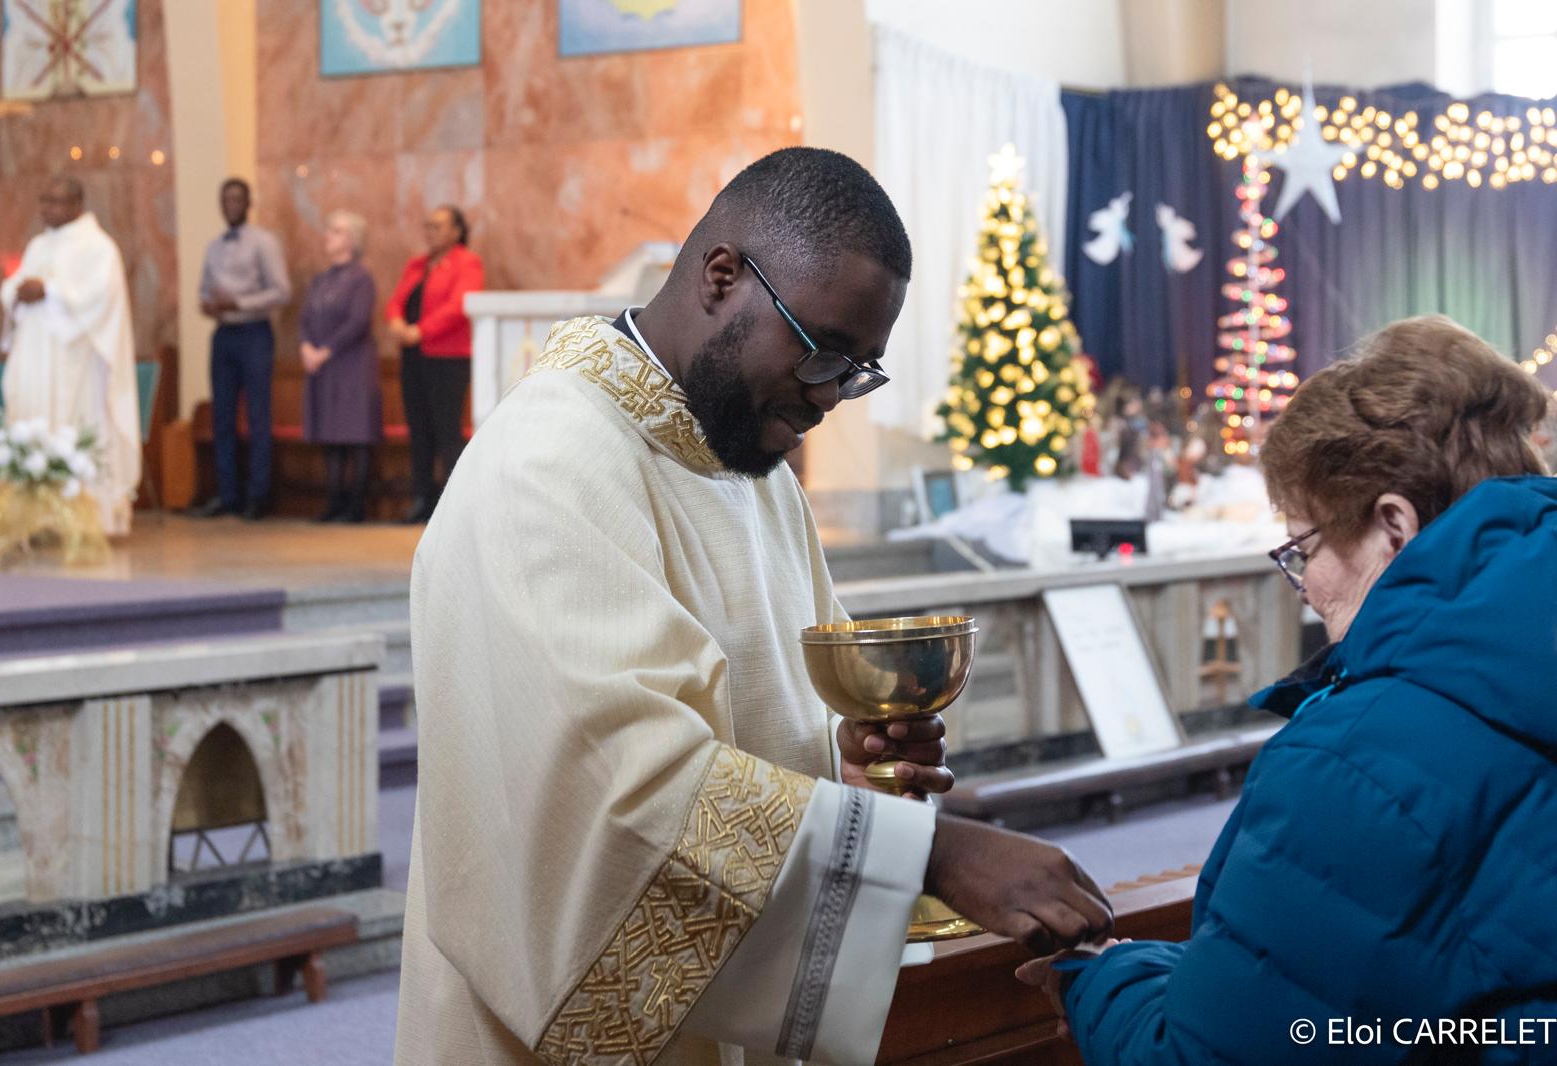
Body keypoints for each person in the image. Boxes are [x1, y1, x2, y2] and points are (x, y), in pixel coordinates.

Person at [395, 148, 1112, 1066]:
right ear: (721, 276)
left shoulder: (748, 467)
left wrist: (847, 760)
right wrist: (926, 852)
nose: (827, 398)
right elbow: (621, 789)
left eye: (857, 372)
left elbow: (771, 730)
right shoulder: (544, 466)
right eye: (819, 353)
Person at [1022, 315, 1557, 1065]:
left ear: (1394, 527)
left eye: (1303, 548)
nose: (1304, 587)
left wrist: (1103, 974)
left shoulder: (1359, 760)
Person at [0, 177, 140, 535]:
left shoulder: (98, 247)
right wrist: (17, 291)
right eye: (43, 200)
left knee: (74, 426)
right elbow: (14, 286)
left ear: (77, 203)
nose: (46, 209)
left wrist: (50, 292)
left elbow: (101, 297)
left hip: (76, 362)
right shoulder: (38, 245)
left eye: (55, 201)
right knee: (33, 423)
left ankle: (85, 519)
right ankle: (34, 518)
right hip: (35, 354)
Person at [194, 178, 290, 521]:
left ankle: (258, 496)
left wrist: (239, 301)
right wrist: (208, 305)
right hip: (224, 335)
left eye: (236, 199)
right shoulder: (214, 246)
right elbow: (204, 290)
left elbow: (281, 291)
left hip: (254, 333)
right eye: (224, 200)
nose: (230, 205)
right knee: (222, 417)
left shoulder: (263, 243)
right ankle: (227, 494)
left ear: (248, 203)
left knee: (257, 416)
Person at [385, 205, 483, 524]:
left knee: (446, 430)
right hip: (414, 356)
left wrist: (421, 330)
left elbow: (459, 306)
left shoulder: (467, 263)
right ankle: (421, 497)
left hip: (448, 357)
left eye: (438, 226)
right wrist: (398, 322)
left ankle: (450, 504)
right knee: (419, 428)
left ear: (457, 231)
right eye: (428, 225)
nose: (431, 232)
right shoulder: (418, 265)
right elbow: (396, 301)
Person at [299, 210, 381, 523]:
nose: (327, 236)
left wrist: (325, 350)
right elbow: (305, 318)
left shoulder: (361, 279)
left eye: (334, 231)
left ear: (351, 239)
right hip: (323, 365)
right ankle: (333, 502)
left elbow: (358, 321)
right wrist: (306, 346)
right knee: (330, 432)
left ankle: (355, 505)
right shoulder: (320, 280)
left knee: (354, 432)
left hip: (351, 364)